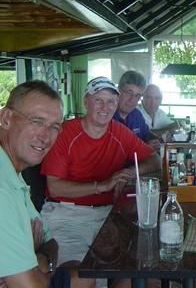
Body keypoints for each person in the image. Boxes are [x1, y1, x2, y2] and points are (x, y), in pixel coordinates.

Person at [40, 76, 161, 271]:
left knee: (142, 266)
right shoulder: (64, 133)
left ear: (116, 105)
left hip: (109, 215)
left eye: (111, 101)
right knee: (74, 273)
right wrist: (102, 185)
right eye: (98, 100)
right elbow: (54, 187)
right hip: (68, 215)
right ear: (86, 101)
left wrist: (128, 172)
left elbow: (154, 160)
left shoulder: (119, 132)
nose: (105, 106)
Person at [0, 81, 93, 288]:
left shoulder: (13, 173)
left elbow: (51, 241)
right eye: (36, 121)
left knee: (85, 275)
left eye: (53, 127)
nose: (45, 136)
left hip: (31, 272)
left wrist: (40, 257)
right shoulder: (2, 189)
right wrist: (35, 261)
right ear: (6, 119)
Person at [113, 71, 161, 151]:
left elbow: (147, 134)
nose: (132, 99)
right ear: (119, 90)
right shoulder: (107, 115)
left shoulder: (136, 114)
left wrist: (156, 140)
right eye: (129, 92)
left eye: (137, 95)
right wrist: (143, 148)